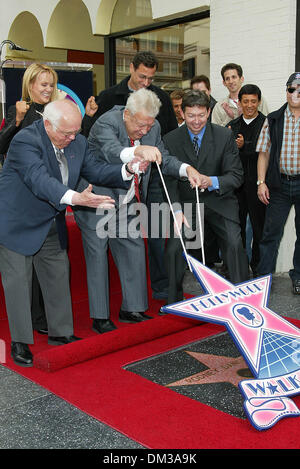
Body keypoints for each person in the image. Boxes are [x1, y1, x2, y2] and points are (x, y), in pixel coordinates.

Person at [0, 99, 137, 367]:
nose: (73, 138)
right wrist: (76, 198)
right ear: (47, 124)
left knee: (58, 274)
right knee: (19, 283)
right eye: (67, 133)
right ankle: (20, 342)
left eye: (76, 132)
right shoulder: (25, 141)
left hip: (50, 219)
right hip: (16, 221)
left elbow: (94, 169)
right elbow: (39, 180)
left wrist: (127, 169)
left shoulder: (76, 140)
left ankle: (61, 333)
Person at [73, 88, 203, 333]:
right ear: (128, 115)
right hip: (96, 198)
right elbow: (113, 150)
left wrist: (187, 169)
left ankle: (132, 309)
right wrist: (137, 151)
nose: (145, 131)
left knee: (133, 248)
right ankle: (100, 316)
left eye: (149, 126)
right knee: (98, 256)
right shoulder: (107, 122)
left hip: (127, 199)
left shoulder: (152, 128)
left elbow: (164, 158)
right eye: (141, 125)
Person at [83, 51, 178, 301]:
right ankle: (106, 307)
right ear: (131, 68)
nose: (146, 82)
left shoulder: (160, 103)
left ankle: (147, 296)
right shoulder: (108, 101)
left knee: (148, 238)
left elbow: (162, 143)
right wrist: (137, 151)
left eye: (150, 78)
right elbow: (106, 146)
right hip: (106, 185)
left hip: (146, 180)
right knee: (109, 245)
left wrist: (183, 168)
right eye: (142, 76)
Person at [163, 90, 249, 304]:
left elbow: (236, 176)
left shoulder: (224, 136)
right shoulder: (170, 139)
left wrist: (211, 181)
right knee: (174, 248)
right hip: (186, 204)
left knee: (233, 243)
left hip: (219, 201)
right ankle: (174, 303)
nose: (196, 121)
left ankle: (243, 302)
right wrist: (176, 210)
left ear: (209, 112)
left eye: (201, 115)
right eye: (191, 115)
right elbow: (167, 180)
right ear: (182, 113)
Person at [0, 63, 59, 335]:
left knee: (49, 262)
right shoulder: (20, 110)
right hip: (25, 197)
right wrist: (17, 121)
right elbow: (2, 146)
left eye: (50, 84)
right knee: (30, 262)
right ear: (29, 85)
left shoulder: (56, 112)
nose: (47, 89)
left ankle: (48, 317)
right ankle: (36, 320)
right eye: (42, 84)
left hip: (51, 196)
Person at [256, 73, 300, 295]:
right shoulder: (273, 118)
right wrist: (261, 182)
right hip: (279, 185)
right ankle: (263, 280)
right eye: (291, 89)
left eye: (299, 89)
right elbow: (263, 154)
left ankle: (298, 276)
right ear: (286, 91)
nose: (295, 93)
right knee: (271, 233)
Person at [227, 84, 266, 277]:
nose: (250, 105)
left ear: (259, 101)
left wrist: (245, 145)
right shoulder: (232, 126)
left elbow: (267, 153)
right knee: (237, 229)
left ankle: (259, 269)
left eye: (253, 101)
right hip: (237, 187)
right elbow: (227, 156)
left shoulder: (267, 124)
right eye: (246, 101)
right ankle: (238, 269)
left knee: (260, 229)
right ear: (240, 103)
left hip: (259, 185)